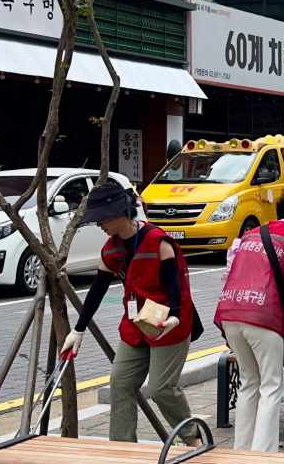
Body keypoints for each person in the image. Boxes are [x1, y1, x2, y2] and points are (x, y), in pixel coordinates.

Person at [64, 180, 200, 443]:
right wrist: (78, 329)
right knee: (120, 383)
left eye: (101, 218)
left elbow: (177, 286)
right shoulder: (111, 248)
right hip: (136, 325)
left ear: (119, 213)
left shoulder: (158, 241)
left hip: (169, 324)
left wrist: (175, 316)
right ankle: (122, 448)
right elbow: (97, 290)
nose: (98, 225)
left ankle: (193, 439)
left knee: (161, 389)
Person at [215, 191, 284, 452]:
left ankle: (242, 450)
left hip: (230, 312)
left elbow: (232, 272)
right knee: (271, 385)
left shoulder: (251, 235)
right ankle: (264, 455)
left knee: (249, 382)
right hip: (264, 316)